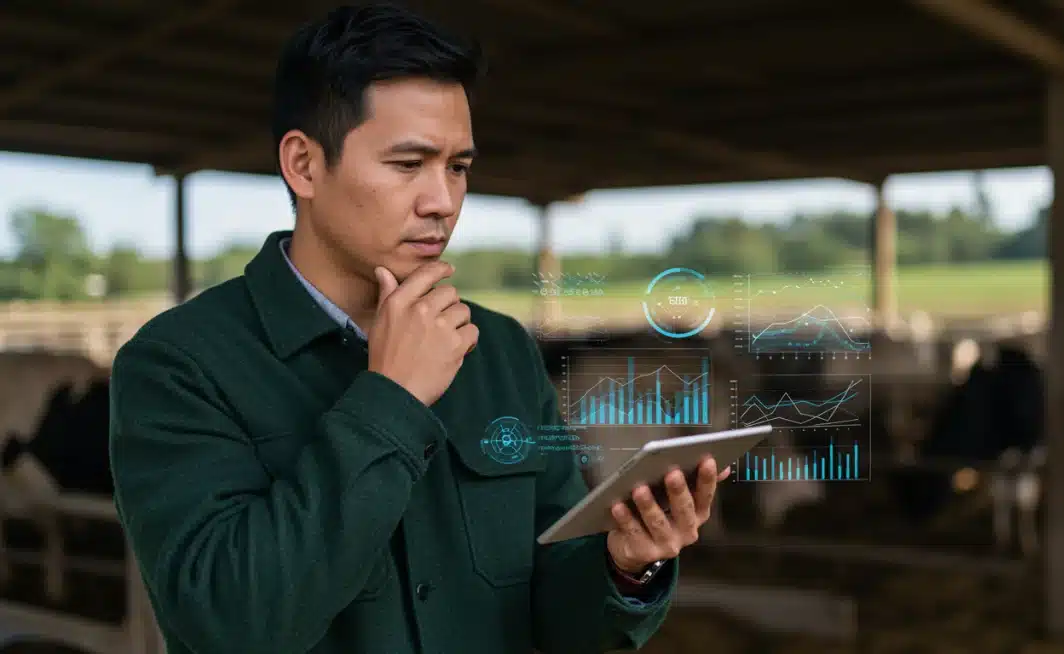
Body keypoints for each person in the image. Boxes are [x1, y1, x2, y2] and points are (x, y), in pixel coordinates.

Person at [109, 3, 730, 653]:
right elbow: (229, 625)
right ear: (304, 165)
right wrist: (392, 400)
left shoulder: (500, 352)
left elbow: (559, 618)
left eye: (458, 166)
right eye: (408, 164)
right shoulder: (178, 366)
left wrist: (626, 567)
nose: (443, 201)